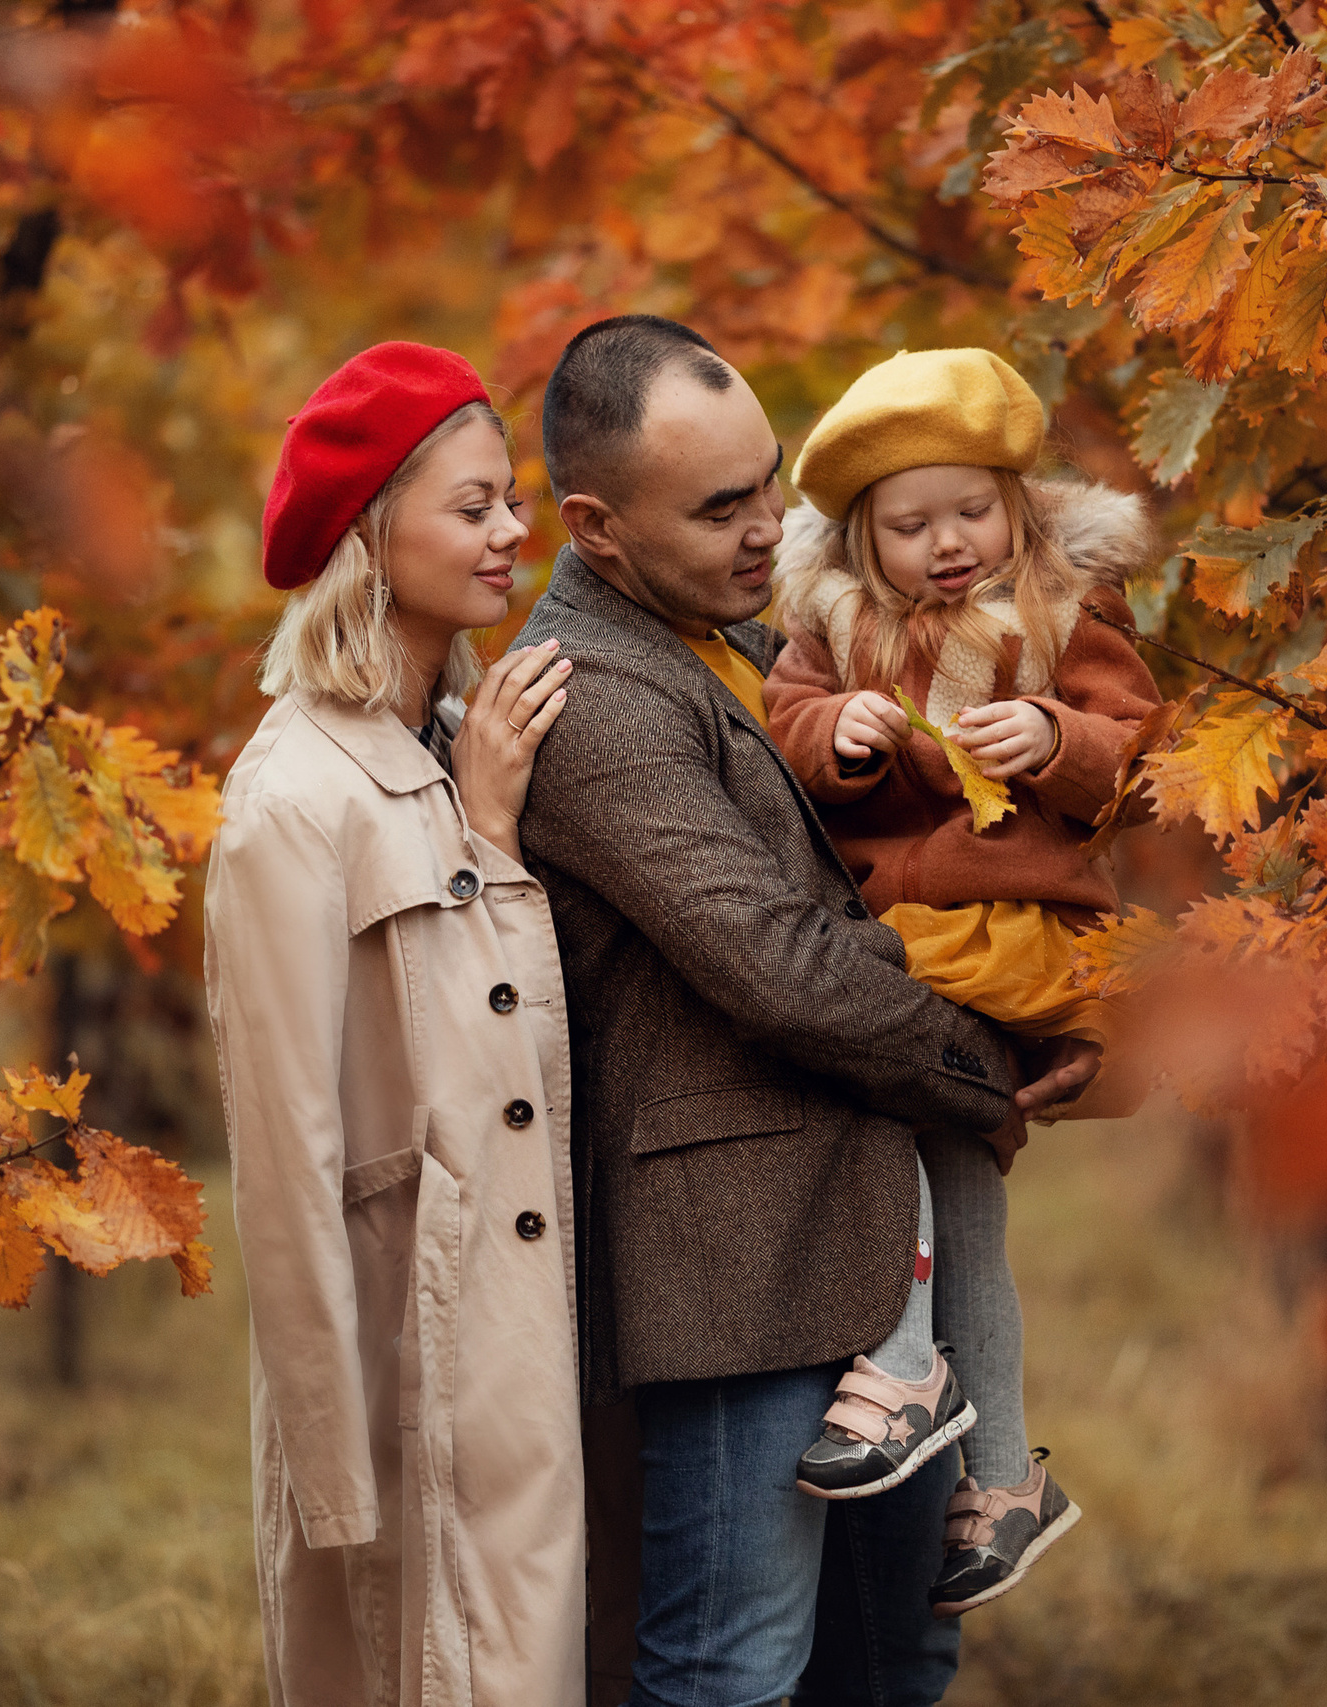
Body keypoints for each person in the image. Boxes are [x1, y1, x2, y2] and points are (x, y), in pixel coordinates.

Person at [512, 315, 1102, 1707]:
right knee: (733, 1669)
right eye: (721, 506)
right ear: (597, 527)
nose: (771, 526)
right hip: (744, 1271)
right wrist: (992, 1054)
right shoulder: (591, 695)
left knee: (891, 1667)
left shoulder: (763, 635)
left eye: (770, 480)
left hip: (879, 1248)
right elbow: (776, 961)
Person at [203, 341, 585, 1706]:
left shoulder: (463, 739)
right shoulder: (291, 804)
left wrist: (486, 825)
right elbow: (285, 1156)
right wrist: (332, 1471)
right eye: (472, 506)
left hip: (517, 1344)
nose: (512, 531)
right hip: (400, 1370)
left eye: (510, 500)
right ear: (371, 537)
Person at [761, 347, 1162, 1614]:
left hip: (1011, 940)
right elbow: (782, 720)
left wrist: (1054, 735)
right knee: (964, 1199)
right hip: (921, 941)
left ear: (1017, 506)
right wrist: (837, 733)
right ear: (860, 539)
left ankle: (900, 1366)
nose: (946, 545)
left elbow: (1139, 753)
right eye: (910, 525)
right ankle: (1001, 1481)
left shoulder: (1063, 615)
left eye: (971, 512)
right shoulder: (832, 628)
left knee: (875, 1096)